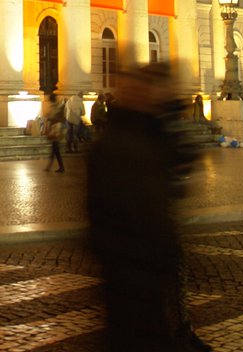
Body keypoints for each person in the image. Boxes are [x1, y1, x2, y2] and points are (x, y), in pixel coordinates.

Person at [87, 63, 209, 352]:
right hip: (132, 264)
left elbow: (181, 170)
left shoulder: (149, 133)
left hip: (144, 264)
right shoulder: (120, 141)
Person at [42, 93, 65, 173]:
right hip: (55, 130)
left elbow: (59, 118)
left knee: (55, 149)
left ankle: (55, 166)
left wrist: (50, 119)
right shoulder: (55, 107)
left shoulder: (57, 107)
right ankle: (53, 166)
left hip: (56, 130)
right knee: (55, 149)